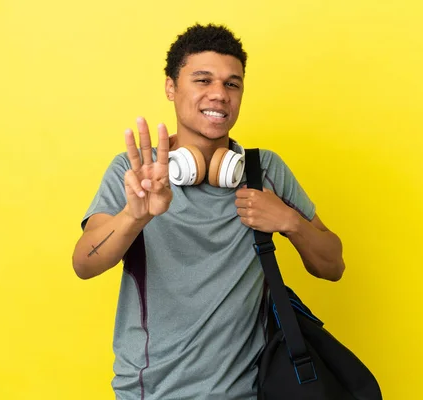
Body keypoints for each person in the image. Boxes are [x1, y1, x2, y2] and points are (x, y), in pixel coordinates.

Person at [72, 23, 345, 400]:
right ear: (171, 87)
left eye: (232, 84)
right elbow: (83, 264)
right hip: (152, 392)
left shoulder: (264, 171)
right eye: (203, 80)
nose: (219, 95)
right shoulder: (133, 172)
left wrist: (288, 221)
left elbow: (333, 266)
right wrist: (135, 216)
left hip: (250, 393)